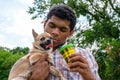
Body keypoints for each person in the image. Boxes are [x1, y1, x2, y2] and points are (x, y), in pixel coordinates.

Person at [29, 4, 101, 80]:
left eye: (63, 30)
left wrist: (88, 75)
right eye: (52, 26)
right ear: (44, 24)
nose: (55, 32)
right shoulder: (31, 56)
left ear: (70, 33)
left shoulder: (84, 55)